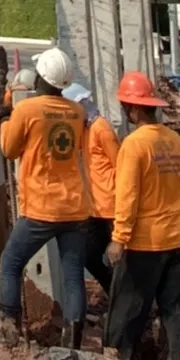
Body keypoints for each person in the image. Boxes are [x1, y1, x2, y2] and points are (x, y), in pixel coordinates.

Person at [0, 46, 90, 349]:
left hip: (41, 207)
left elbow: (9, 149)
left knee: (11, 262)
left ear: (41, 78)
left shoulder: (27, 110)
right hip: (74, 206)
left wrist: (5, 122)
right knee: (73, 276)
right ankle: (73, 344)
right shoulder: (77, 111)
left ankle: (9, 332)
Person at [103, 71, 180, 360]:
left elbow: (127, 196)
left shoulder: (135, 145)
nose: (126, 112)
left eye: (127, 107)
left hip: (145, 242)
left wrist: (119, 238)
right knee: (175, 312)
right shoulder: (174, 140)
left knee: (126, 312)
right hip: (178, 237)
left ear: (136, 109)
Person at [63, 82, 119, 293]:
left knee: (120, 261)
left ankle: (124, 299)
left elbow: (121, 167)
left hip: (111, 208)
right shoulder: (85, 130)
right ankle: (114, 292)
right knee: (89, 255)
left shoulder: (101, 129)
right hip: (95, 208)